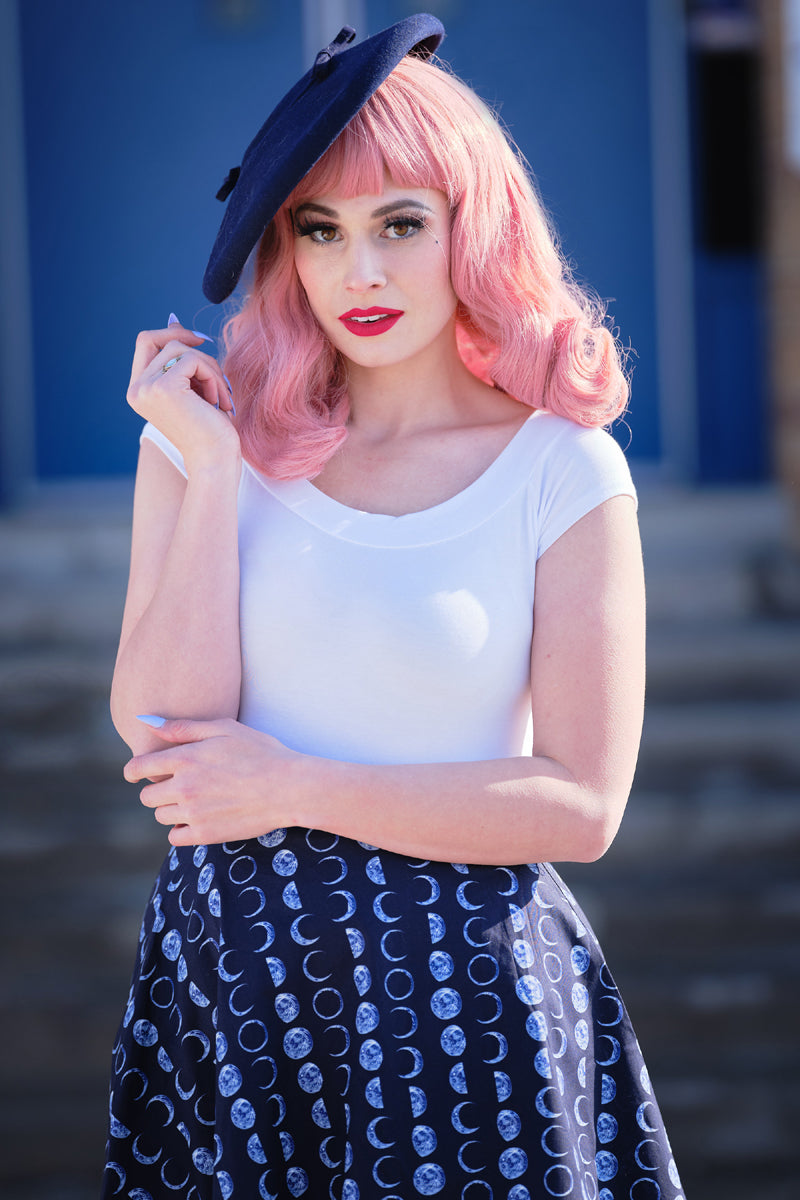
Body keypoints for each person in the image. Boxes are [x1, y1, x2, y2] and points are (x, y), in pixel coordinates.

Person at [102, 14, 684, 1200]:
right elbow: (165, 736)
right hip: (235, 996)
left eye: (399, 225)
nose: (357, 272)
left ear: (473, 230)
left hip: (466, 1011)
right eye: (318, 231)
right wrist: (213, 470)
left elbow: (579, 801)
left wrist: (295, 788)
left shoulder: (561, 469)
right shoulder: (201, 450)